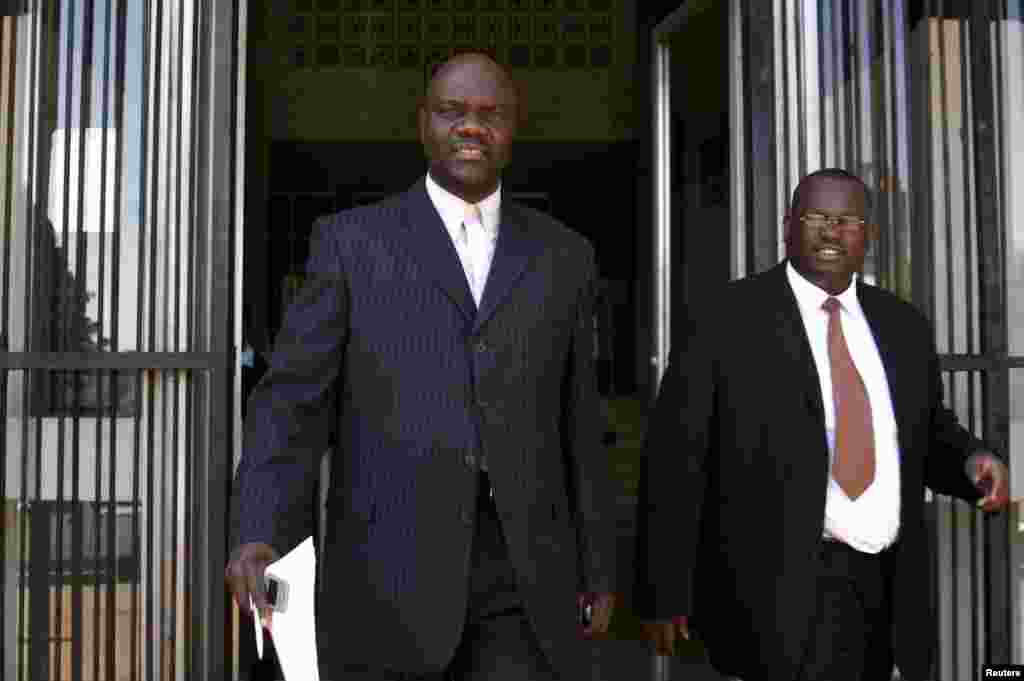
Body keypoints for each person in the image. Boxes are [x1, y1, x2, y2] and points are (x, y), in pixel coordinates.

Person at [226, 52, 617, 681]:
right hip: (388, 572)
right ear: (422, 124)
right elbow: (291, 406)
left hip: (522, 575)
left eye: (491, 114)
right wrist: (260, 529)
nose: (472, 126)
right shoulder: (351, 244)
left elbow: (578, 425)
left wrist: (598, 568)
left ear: (513, 129)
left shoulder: (564, 257)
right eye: (452, 111)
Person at [635, 168, 1010, 681]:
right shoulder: (725, 318)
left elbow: (926, 432)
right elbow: (675, 459)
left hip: (886, 583)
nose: (832, 231)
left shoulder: (902, 325)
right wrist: (663, 590)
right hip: (779, 586)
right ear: (788, 226)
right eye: (816, 217)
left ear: (868, 234)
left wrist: (970, 460)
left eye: (848, 220)